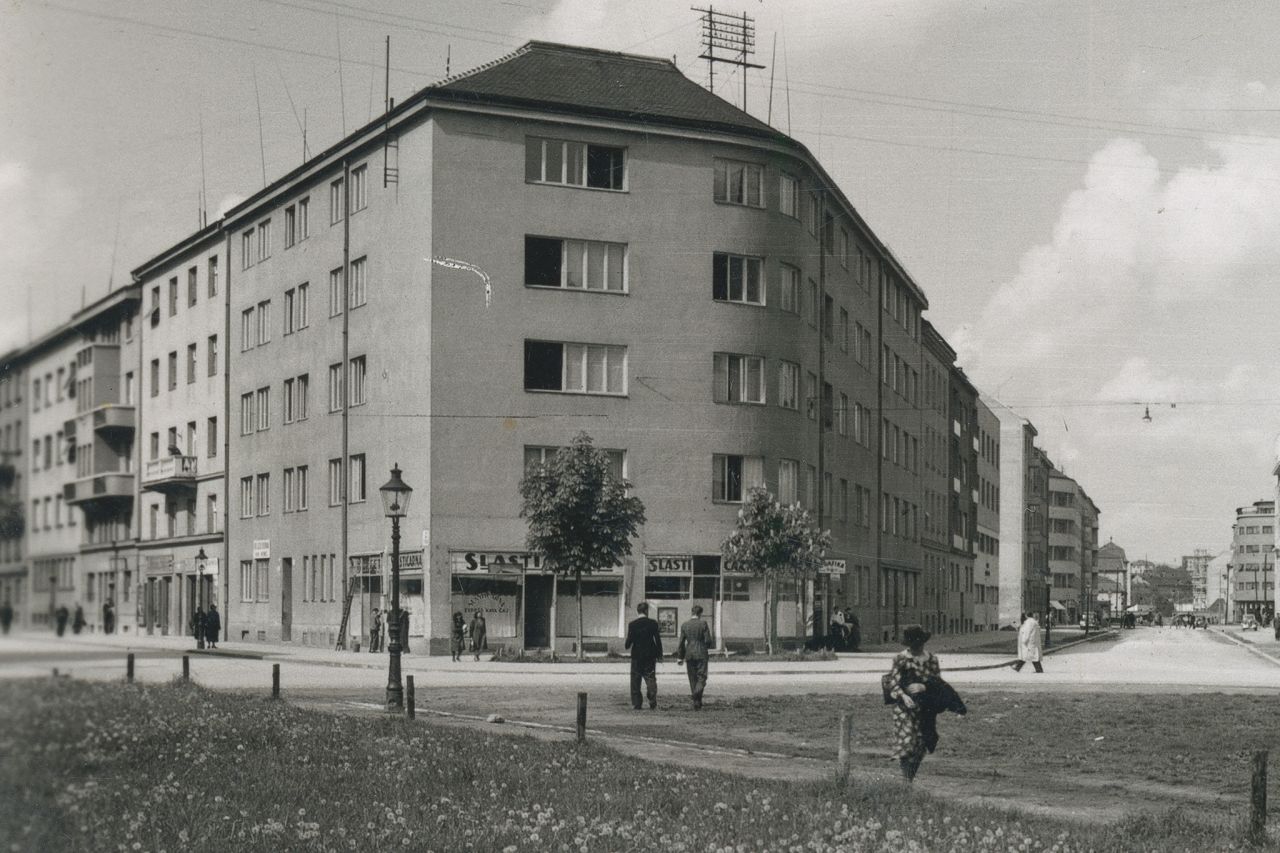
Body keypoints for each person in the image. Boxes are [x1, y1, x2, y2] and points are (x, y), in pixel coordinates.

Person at [884, 624, 962, 783]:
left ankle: (909, 779)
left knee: (921, 745)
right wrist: (903, 696)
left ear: (922, 643)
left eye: (917, 645)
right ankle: (906, 781)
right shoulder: (900, 659)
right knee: (907, 744)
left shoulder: (932, 660)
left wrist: (924, 686)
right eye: (912, 645)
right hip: (904, 709)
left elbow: (938, 683)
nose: (915, 648)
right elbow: (892, 682)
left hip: (925, 709)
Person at [624, 601, 663, 710]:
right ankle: (652, 697)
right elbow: (658, 640)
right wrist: (660, 654)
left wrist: (628, 643)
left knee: (635, 679)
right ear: (646, 611)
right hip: (650, 655)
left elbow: (628, 644)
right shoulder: (653, 623)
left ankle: (637, 703)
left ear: (638, 611)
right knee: (650, 677)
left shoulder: (632, 625)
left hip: (636, 656)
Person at [676, 604, 713, 709]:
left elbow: (681, 643)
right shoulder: (703, 624)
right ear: (700, 614)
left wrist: (680, 657)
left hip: (689, 654)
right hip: (701, 653)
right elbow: (708, 641)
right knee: (702, 677)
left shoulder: (685, 625)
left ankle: (697, 702)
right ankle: (696, 694)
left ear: (692, 613)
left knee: (692, 678)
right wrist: (706, 646)